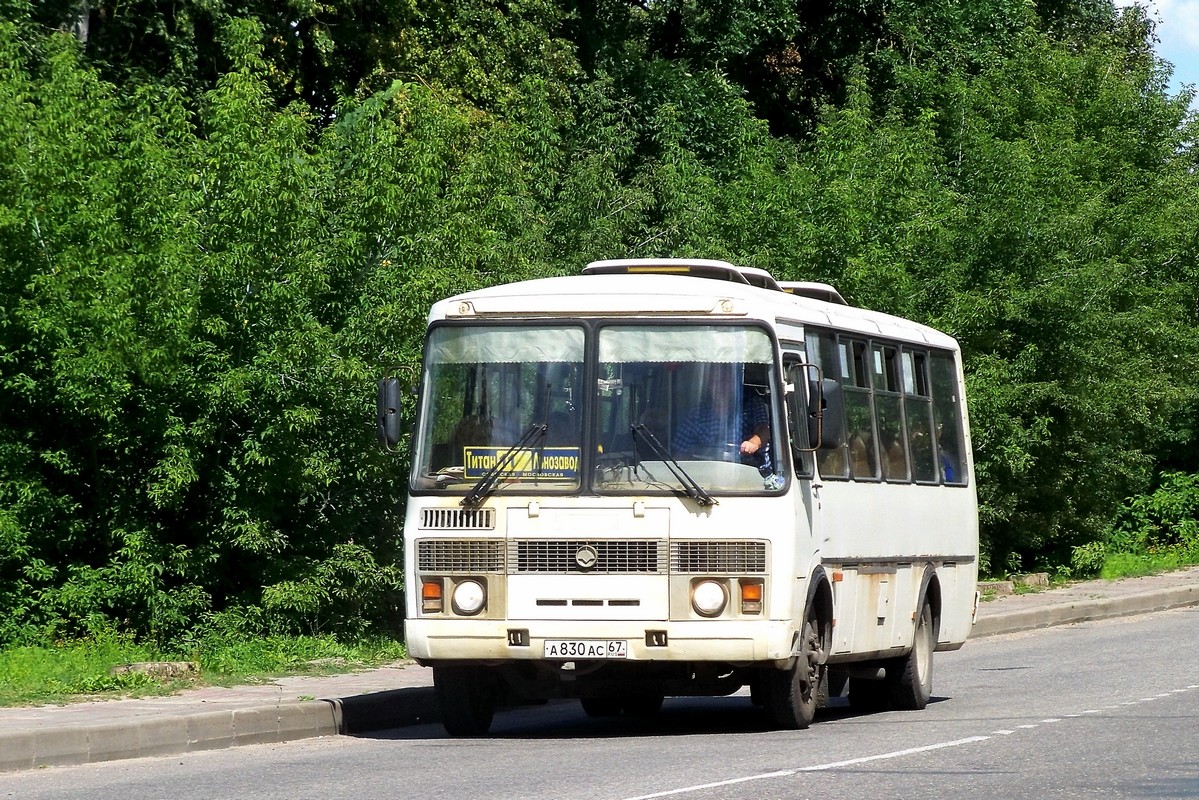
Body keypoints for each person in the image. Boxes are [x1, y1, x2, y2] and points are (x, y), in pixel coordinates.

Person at [673, 367, 770, 463]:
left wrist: (753, 443)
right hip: (707, 474)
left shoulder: (752, 404)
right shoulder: (698, 414)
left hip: (750, 471)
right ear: (709, 385)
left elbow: (764, 430)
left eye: (725, 381)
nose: (720, 386)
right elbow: (680, 452)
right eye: (715, 381)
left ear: (734, 383)